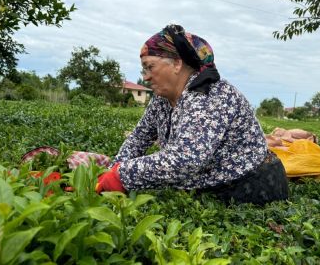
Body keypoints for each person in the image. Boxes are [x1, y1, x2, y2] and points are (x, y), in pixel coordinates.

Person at [97, 24, 288, 205]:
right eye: (144, 69)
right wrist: (109, 174)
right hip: (209, 183)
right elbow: (139, 138)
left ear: (177, 64)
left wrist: (122, 175)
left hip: (248, 186)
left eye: (150, 67)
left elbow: (187, 158)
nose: (145, 76)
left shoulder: (209, 93)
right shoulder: (162, 98)